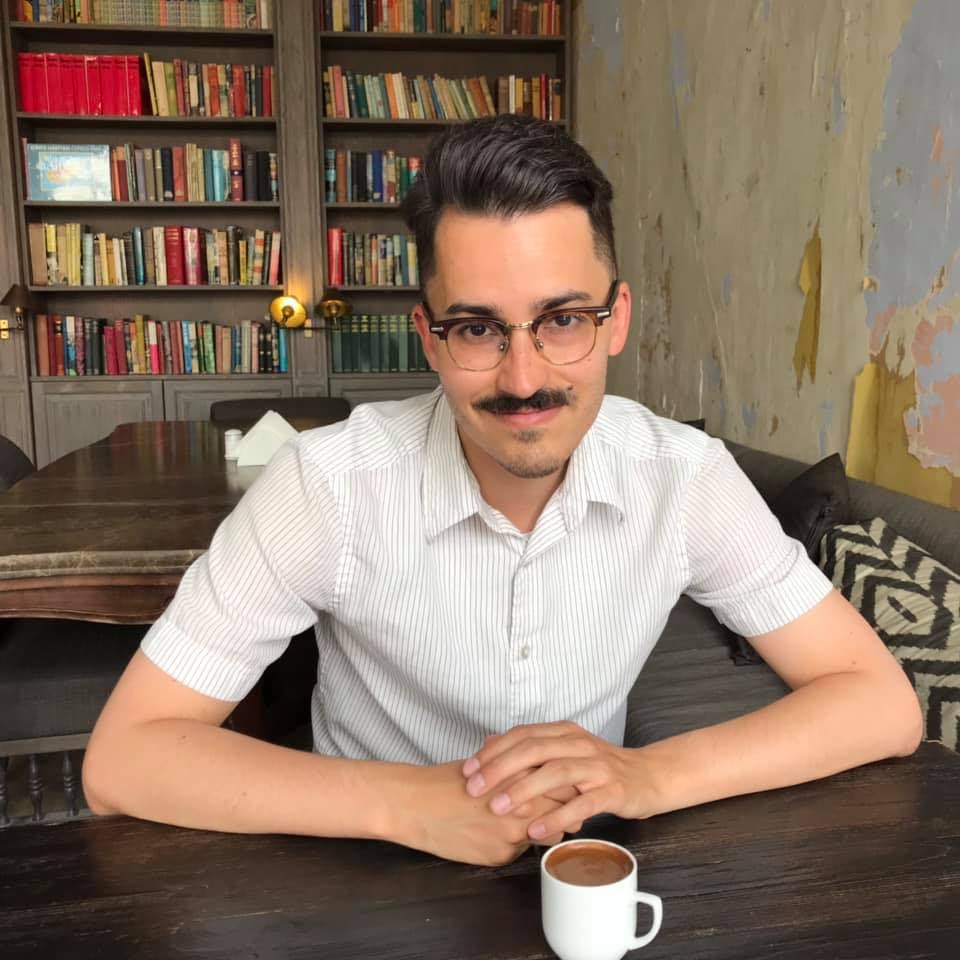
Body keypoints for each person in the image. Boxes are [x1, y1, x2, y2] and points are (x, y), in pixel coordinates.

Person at [83, 115, 922, 866]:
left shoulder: (685, 478)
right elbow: (125, 759)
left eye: (563, 320)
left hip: (587, 865)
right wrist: (406, 804)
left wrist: (644, 775)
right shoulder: (326, 486)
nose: (526, 380)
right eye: (478, 328)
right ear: (429, 337)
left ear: (616, 318)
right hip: (359, 872)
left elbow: (880, 704)